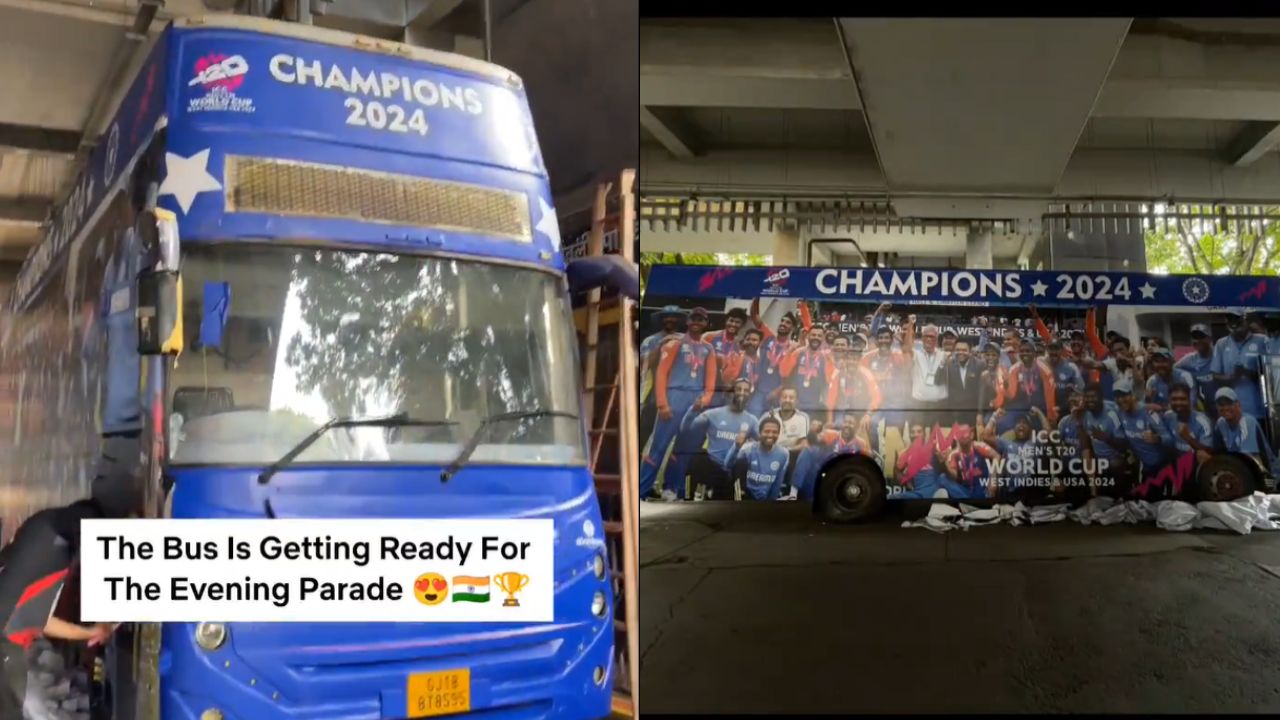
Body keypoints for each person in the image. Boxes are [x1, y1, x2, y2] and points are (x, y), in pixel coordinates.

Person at [0, 438, 138, 715]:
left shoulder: (12, 623)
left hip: (55, 539)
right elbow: (43, 621)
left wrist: (93, 630)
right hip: (46, 531)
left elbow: (43, 621)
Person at [640, 309, 717, 500]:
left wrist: (706, 399)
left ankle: (672, 488)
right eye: (694, 319)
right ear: (688, 322)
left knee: (683, 449)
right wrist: (662, 403)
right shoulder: (674, 344)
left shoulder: (708, 349)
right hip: (674, 397)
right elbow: (661, 374)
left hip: (695, 403)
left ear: (706, 323)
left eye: (701, 319)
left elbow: (711, 380)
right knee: (658, 447)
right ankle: (642, 490)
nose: (697, 322)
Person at [669, 379, 760, 501]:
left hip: (732, 470)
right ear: (731, 392)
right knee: (698, 457)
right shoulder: (714, 414)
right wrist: (693, 410)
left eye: (746, 390)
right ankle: (688, 498)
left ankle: (735, 498)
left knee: (742, 463)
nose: (742, 393)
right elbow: (686, 429)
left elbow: (762, 443)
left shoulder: (752, 420)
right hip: (713, 465)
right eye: (739, 389)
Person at [1112, 378, 1174, 498]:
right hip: (1144, 467)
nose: (1120, 400)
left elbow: (1169, 439)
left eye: (1124, 395)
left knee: (1159, 505)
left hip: (1161, 468)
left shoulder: (1149, 413)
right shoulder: (1119, 411)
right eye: (1117, 396)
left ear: (1131, 395)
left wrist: (1157, 438)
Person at [788, 415, 873, 501]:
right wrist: (812, 430)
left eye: (850, 423)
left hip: (842, 479)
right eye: (845, 422)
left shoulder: (861, 443)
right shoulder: (830, 434)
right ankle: (793, 494)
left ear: (856, 426)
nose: (847, 425)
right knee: (808, 451)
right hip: (822, 473)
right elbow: (811, 441)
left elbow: (869, 460)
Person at [750, 298, 813, 412]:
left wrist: (803, 306)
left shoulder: (794, 347)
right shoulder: (768, 337)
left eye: (788, 322)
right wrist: (758, 294)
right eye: (782, 321)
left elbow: (809, 330)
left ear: (793, 328)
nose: (783, 323)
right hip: (758, 391)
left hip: (779, 393)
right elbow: (755, 316)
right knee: (754, 420)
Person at [639, 306, 687, 445]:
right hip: (653, 390)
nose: (669, 319)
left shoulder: (685, 340)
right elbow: (643, 364)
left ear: (678, 319)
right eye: (666, 316)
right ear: (661, 319)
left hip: (677, 392)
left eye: (673, 316)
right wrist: (661, 345)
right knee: (645, 427)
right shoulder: (651, 340)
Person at [1211, 310, 1268, 422]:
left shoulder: (1262, 341)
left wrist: (1247, 372)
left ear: (1245, 320)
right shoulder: (1221, 344)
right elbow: (1215, 376)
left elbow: (1270, 377)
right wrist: (1233, 377)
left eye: (1237, 319)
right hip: (1231, 412)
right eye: (1230, 319)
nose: (1234, 323)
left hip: (1259, 411)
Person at [726, 416, 791, 501]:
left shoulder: (783, 454)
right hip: (745, 497)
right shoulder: (747, 450)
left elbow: (777, 482)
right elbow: (728, 465)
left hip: (766, 500)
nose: (771, 435)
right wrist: (736, 447)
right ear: (760, 433)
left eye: (775, 432)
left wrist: (771, 504)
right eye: (767, 431)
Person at [760, 387, 812, 494]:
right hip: (769, 452)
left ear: (796, 401)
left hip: (791, 455)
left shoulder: (802, 418)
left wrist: (786, 450)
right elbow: (757, 437)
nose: (787, 400)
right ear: (779, 400)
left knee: (805, 453)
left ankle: (793, 493)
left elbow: (804, 444)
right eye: (784, 397)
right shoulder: (769, 415)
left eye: (791, 398)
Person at [1213, 386, 1276, 473]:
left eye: (1229, 403)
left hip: (1266, 472)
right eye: (1221, 405)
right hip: (1239, 469)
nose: (1225, 408)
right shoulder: (1220, 423)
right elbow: (1218, 454)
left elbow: (1251, 459)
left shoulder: (1247, 421)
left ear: (1238, 404)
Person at [779, 326, 837, 419]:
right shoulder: (798, 352)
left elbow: (830, 380)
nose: (816, 337)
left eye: (819, 335)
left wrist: (832, 362)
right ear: (808, 336)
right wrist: (789, 351)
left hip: (814, 404)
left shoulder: (825, 358)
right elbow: (784, 372)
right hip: (795, 402)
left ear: (823, 338)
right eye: (813, 334)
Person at [902, 316, 950, 429]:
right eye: (926, 336)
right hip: (919, 403)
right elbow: (907, 348)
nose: (929, 339)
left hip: (939, 404)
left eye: (932, 337)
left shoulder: (943, 355)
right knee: (918, 436)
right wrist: (910, 324)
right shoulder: (916, 354)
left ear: (937, 339)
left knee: (936, 437)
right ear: (922, 338)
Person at [1002, 340, 1057, 434]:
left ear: (1034, 353)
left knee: (1045, 431)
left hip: (1041, 407)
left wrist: (1051, 418)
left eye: (1028, 351)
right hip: (1022, 407)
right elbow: (1011, 394)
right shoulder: (1014, 369)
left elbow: (1050, 397)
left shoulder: (1044, 369)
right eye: (1022, 351)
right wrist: (1003, 386)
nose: (1024, 353)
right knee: (1003, 422)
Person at [829, 338, 881, 432]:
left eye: (855, 360)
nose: (852, 362)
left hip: (861, 411)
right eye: (850, 359)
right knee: (839, 425)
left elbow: (876, 397)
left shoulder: (866, 374)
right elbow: (831, 400)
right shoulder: (837, 374)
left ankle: (874, 447)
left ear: (859, 360)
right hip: (843, 411)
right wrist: (829, 420)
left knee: (872, 423)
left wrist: (868, 414)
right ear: (845, 359)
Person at [943, 424, 1002, 499]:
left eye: (965, 433)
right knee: (942, 478)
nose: (962, 436)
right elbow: (954, 476)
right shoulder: (953, 454)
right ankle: (971, 503)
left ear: (971, 435)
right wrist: (945, 463)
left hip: (983, 487)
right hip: (965, 489)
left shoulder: (979, 446)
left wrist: (993, 479)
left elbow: (997, 456)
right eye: (960, 434)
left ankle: (970, 503)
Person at [1163, 382, 1215, 467]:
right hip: (1176, 464)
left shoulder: (1202, 421)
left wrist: (1188, 438)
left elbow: (1208, 452)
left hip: (1197, 466)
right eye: (1174, 399)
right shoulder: (1168, 416)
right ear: (1169, 401)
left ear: (1189, 400)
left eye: (1182, 399)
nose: (1178, 403)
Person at [1175, 323, 1217, 419]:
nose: (1198, 340)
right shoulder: (1189, 360)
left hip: (1224, 405)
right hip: (1204, 408)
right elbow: (1172, 371)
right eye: (1195, 337)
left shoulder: (1219, 355)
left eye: (1201, 337)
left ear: (1209, 338)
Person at [723, 328, 765, 416]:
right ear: (744, 341)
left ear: (760, 343)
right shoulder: (735, 357)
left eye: (754, 340)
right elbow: (727, 382)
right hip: (735, 400)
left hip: (753, 403)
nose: (750, 342)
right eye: (748, 339)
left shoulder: (762, 361)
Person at [942, 340, 984, 426]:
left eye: (964, 350)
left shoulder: (980, 365)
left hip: (973, 413)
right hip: (954, 414)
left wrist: (980, 413)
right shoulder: (949, 364)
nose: (961, 352)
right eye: (958, 350)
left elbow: (982, 392)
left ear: (970, 351)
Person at [1144, 347, 1195, 414]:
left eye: (1164, 361)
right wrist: (1147, 399)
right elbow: (1148, 408)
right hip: (1161, 421)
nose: (1160, 365)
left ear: (1172, 362)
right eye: (1156, 361)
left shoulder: (1184, 377)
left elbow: (1191, 404)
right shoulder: (1151, 381)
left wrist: (1162, 408)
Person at [1044, 341, 1085, 421]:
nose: (1053, 352)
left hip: (1065, 410)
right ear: (1047, 350)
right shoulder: (1041, 365)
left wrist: (1072, 391)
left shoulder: (1071, 367)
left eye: (1056, 349)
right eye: (1051, 349)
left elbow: (1081, 389)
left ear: (1061, 350)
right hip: (1045, 410)